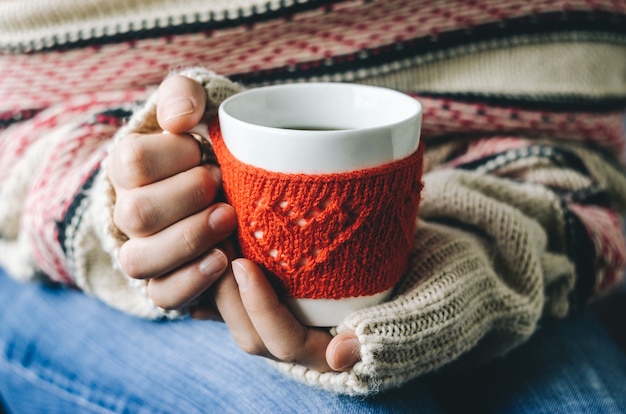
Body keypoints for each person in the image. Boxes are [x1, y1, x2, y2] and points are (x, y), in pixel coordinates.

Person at [1, 0, 626, 412]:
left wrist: (500, 245)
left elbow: (590, 111)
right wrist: (112, 199)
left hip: (517, 202)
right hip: (58, 252)